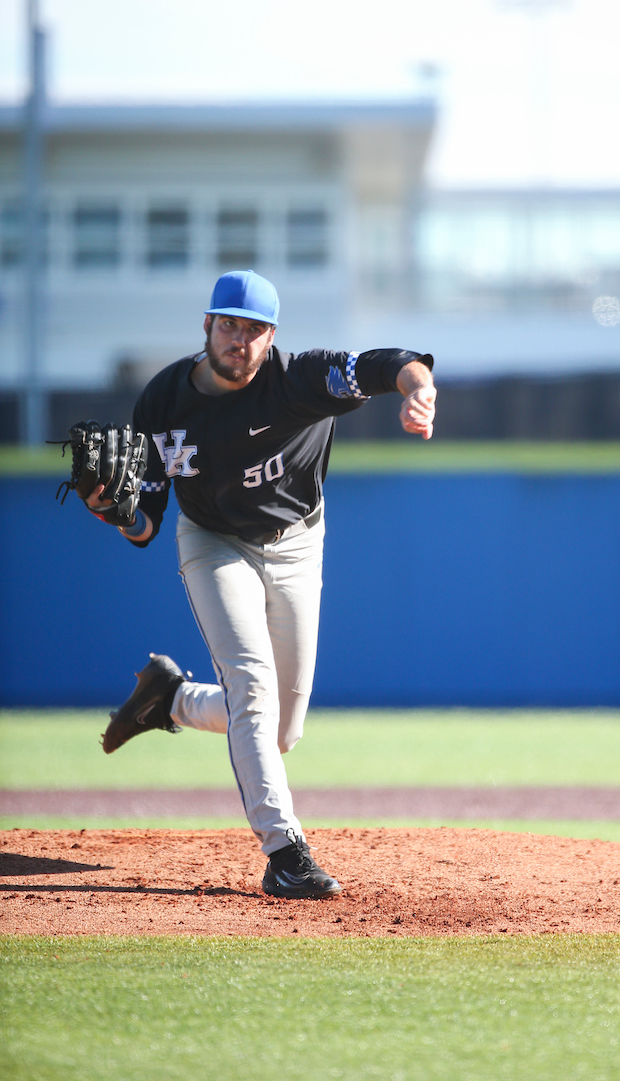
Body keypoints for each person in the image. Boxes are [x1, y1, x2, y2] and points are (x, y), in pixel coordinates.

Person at [89, 270, 436, 899]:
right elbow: (146, 524)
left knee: (280, 732)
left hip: (298, 541)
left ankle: (170, 700)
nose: (238, 340)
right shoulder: (164, 402)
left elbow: (392, 363)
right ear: (207, 326)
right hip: (212, 540)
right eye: (228, 325)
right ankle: (285, 853)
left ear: (270, 336)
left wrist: (421, 389)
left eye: (252, 330)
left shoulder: (301, 380)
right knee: (250, 684)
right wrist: (116, 514)